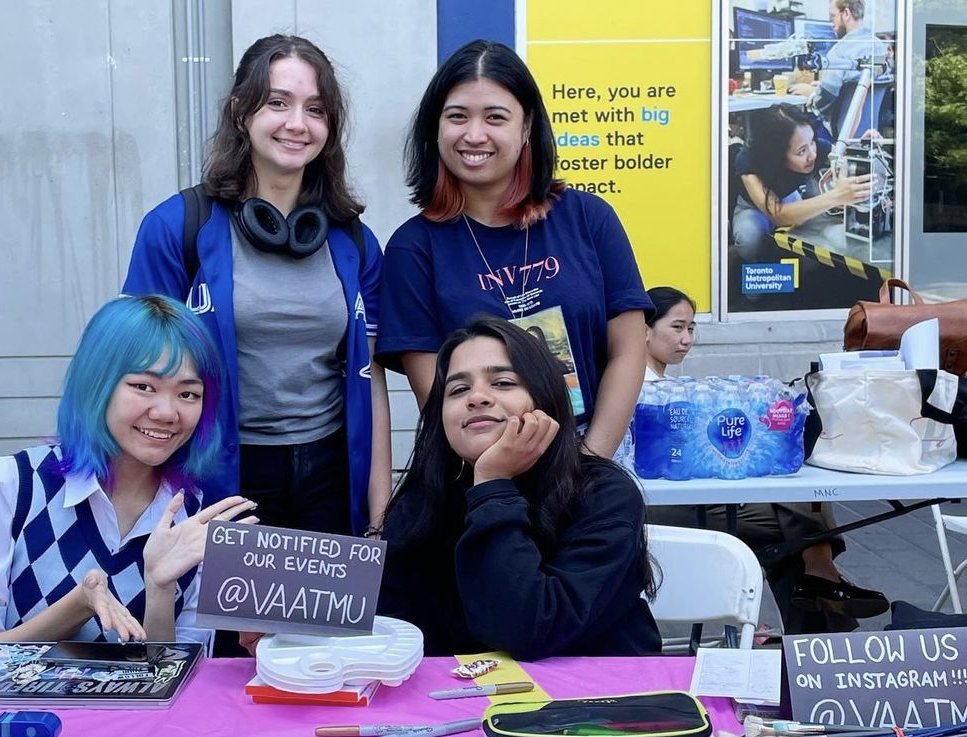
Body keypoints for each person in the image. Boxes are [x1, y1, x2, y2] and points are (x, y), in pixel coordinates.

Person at [123, 33, 391, 537]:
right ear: (241, 111)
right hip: (217, 474)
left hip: (330, 476)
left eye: (316, 109)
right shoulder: (176, 228)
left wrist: (379, 512)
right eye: (277, 103)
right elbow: (136, 375)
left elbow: (369, 375)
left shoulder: (354, 241)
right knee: (229, 620)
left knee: (322, 619)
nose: (297, 123)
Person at [0, 294, 256, 658]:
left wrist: (160, 589)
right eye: (144, 387)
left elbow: (168, 674)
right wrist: (78, 606)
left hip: (135, 716)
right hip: (18, 715)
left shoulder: (193, 514)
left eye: (187, 393)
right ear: (97, 384)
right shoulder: (15, 486)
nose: (168, 413)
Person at [377, 39, 648, 460]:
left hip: (593, 459)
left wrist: (591, 463)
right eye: (457, 117)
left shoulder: (589, 218)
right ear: (436, 127)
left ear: (526, 127)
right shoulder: (414, 248)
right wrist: (495, 476)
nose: (474, 134)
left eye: (495, 117)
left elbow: (629, 350)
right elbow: (436, 398)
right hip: (477, 474)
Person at [379, 316, 660, 660]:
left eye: (502, 383)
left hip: (597, 700)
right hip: (458, 703)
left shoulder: (603, 493)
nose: (477, 398)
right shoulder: (421, 501)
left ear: (544, 398)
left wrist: (493, 483)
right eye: (458, 389)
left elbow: (528, 631)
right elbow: (392, 634)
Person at [641, 286, 888, 630]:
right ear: (645, 330)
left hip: (696, 489)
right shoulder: (638, 384)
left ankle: (818, 593)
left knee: (793, 506)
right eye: (677, 327)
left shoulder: (668, 381)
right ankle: (824, 630)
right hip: (661, 501)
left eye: (692, 329)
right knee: (792, 524)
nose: (687, 339)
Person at [731, 104, 870, 261]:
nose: (812, 154)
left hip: (790, 197)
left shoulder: (815, 149)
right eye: (801, 151)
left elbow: (842, 158)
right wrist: (836, 196)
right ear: (777, 154)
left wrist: (863, 147)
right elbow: (778, 214)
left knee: (811, 238)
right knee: (749, 238)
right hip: (753, 208)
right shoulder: (748, 160)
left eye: (812, 141)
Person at [788, 0, 888, 137]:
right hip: (868, 136)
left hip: (840, 139)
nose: (832, 24)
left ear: (846, 13)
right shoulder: (879, 46)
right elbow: (854, 89)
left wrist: (811, 93)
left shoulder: (839, 51)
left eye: (833, 17)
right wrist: (824, 85)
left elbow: (824, 100)